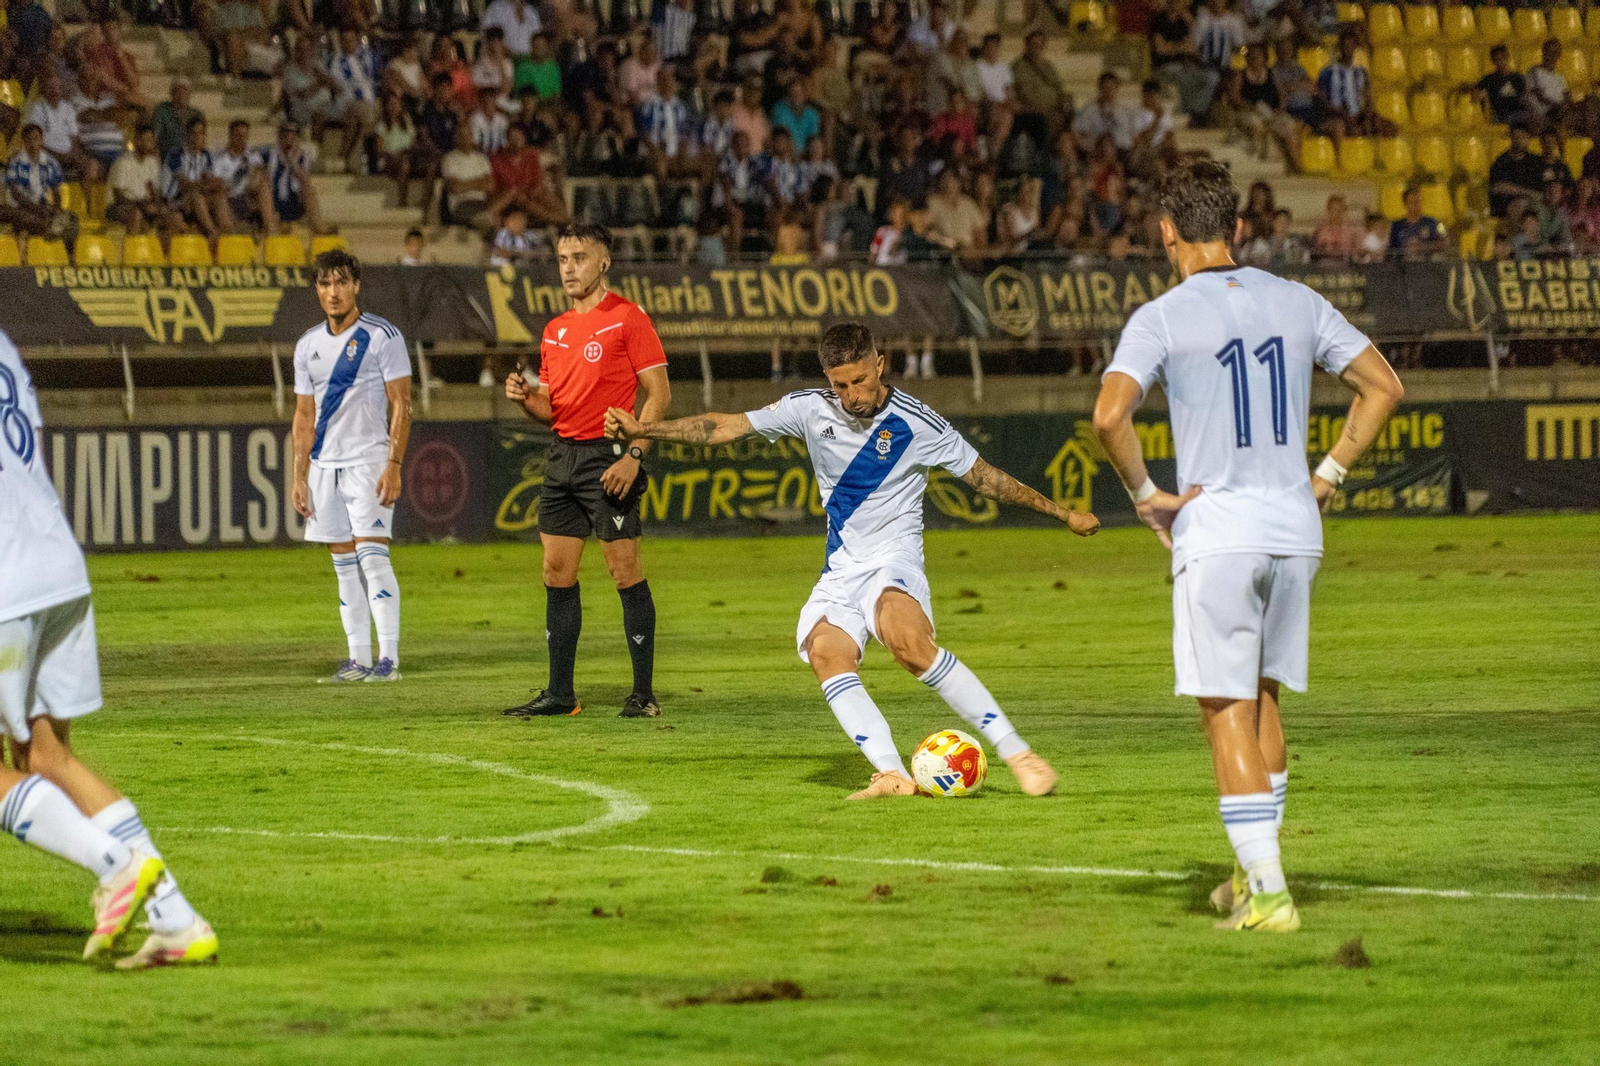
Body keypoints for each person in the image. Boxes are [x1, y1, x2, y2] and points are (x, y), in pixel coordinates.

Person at [1090, 157, 1404, 933]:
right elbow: (1385, 386)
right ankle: (1247, 869)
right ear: (1236, 228)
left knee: (1224, 709)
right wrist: (1326, 476)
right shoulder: (1297, 298)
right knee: (1261, 696)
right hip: (1296, 527)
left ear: (1166, 232)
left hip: (1219, 530)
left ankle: (1268, 894)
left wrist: (1145, 497)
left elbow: (1108, 417)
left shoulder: (1160, 316)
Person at [604, 323, 1098, 799]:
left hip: (894, 559)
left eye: (860, 380)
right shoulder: (808, 409)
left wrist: (1062, 513)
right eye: (840, 384)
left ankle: (1019, 753)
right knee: (826, 653)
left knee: (909, 645)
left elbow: (988, 479)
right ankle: (891, 774)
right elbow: (727, 426)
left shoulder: (917, 423)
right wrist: (646, 428)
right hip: (842, 569)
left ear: (880, 365)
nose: (852, 394)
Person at [2, 337, 216, 974]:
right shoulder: (8, 345)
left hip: (5, 576)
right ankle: (176, 920)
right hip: (56, 561)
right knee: (45, 755)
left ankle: (114, 864)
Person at [500, 223, 672, 720]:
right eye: (562, 258)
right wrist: (525, 400)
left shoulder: (627, 318)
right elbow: (553, 409)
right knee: (556, 572)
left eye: (579, 257)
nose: (569, 267)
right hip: (562, 458)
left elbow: (659, 394)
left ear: (604, 263)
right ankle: (560, 694)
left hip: (610, 457)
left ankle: (643, 694)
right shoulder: (554, 330)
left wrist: (632, 456)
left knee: (624, 571)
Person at [290, 251, 413, 684]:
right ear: (317, 290)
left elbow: (403, 403)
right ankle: (358, 659)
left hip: (368, 461)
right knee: (343, 564)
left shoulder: (382, 336)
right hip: (325, 466)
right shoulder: (307, 345)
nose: (333, 292)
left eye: (341, 282)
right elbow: (304, 416)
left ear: (356, 285)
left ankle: (389, 660)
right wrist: (299, 476)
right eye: (325, 284)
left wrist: (393, 465)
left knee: (373, 558)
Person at [6, 122, 78, 245]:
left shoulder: (50, 162)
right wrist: (38, 209)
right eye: (29, 140)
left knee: (72, 220)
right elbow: (15, 195)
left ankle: (69, 258)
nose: (33, 143)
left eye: (36, 139)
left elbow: (56, 192)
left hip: (40, 205)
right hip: (19, 207)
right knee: (27, 218)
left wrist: (56, 210)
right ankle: (47, 233)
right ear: (24, 141)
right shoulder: (16, 162)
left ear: (41, 140)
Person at [107, 123, 165, 236]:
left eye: (151, 140)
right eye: (147, 140)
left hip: (143, 204)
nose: (150, 144)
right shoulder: (123, 163)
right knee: (137, 214)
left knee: (171, 215)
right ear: (137, 141)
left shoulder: (153, 163)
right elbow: (119, 197)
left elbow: (156, 191)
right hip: (116, 207)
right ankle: (133, 250)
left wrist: (158, 206)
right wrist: (142, 205)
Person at [1474, 44, 1529, 128]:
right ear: (1493, 61)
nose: (1500, 62)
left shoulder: (1518, 78)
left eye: (1502, 58)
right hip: (1502, 115)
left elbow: (1526, 98)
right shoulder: (1489, 79)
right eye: (1496, 60)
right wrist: (1482, 95)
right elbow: (1476, 94)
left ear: (1508, 58)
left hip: (1519, 113)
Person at [1388, 185, 1447, 258]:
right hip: (1403, 266)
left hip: (1427, 265)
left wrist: (1422, 247)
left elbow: (1443, 243)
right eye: (1412, 202)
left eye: (1418, 201)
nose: (1416, 205)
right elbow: (1391, 249)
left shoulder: (1433, 222)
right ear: (1405, 204)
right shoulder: (1397, 225)